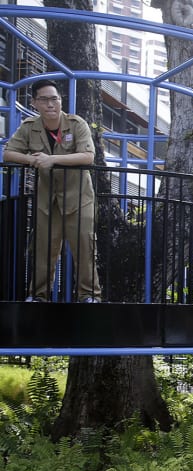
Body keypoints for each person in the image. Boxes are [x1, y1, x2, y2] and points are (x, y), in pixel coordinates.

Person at [3, 78, 101, 303]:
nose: (51, 105)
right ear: (34, 102)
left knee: (85, 247)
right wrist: (32, 160)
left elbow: (88, 156)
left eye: (54, 99)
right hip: (47, 199)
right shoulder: (30, 127)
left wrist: (51, 159)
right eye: (44, 100)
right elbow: (8, 153)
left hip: (79, 198)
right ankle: (39, 296)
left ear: (60, 100)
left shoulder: (76, 124)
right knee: (44, 249)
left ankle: (89, 296)